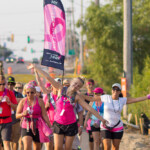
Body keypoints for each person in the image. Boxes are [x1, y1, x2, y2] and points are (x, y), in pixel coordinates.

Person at [27, 64, 107, 150]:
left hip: (71, 125)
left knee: (68, 148)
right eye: (75, 83)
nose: (76, 86)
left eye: (78, 86)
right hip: (58, 123)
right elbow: (48, 77)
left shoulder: (77, 96)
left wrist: (102, 119)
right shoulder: (61, 89)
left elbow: (89, 108)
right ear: (72, 82)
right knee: (57, 148)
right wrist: (36, 68)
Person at [82, 83, 150, 150]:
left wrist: (147, 97)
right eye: (114, 89)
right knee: (107, 147)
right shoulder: (106, 97)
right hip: (105, 126)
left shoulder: (122, 100)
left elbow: (135, 99)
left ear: (119, 92)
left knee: (115, 148)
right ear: (112, 90)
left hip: (117, 127)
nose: (115, 91)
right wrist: (80, 95)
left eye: (117, 90)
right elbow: (91, 99)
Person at [16, 83, 52, 150]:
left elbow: (44, 115)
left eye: (32, 92)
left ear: (35, 92)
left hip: (38, 126)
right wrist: (22, 114)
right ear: (25, 92)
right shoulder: (23, 101)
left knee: (37, 147)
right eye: (28, 92)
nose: (29, 94)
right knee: (26, 146)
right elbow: (17, 115)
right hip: (26, 125)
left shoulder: (40, 101)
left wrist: (50, 126)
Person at [0, 72, 18, 150]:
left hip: (7, 121)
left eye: (4, 84)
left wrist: (10, 103)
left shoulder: (10, 93)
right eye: (0, 84)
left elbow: (16, 108)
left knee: (6, 143)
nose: (2, 86)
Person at [6, 76, 23, 150]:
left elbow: (22, 107)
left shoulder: (18, 94)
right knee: (6, 141)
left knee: (15, 141)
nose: (10, 86)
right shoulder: (2, 93)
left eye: (12, 84)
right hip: (5, 121)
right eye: (8, 84)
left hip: (16, 121)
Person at [84, 79, 95, 150]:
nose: (90, 86)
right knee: (91, 137)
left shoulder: (97, 94)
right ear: (86, 85)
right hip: (89, 118)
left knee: (99, 138)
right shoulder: (84, 96)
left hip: (97, 117)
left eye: (91, 84)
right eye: (88, 84)